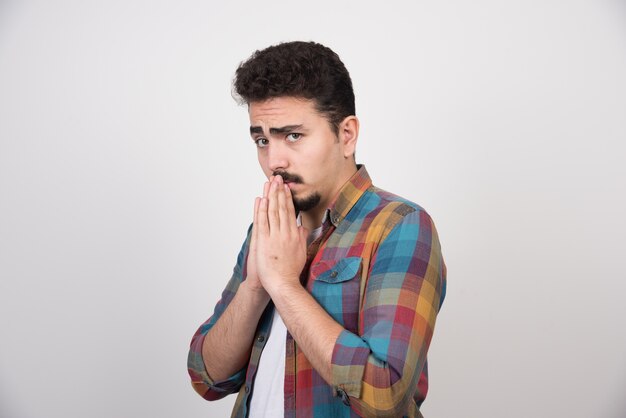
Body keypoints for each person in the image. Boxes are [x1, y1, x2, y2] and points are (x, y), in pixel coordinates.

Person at [187, 41, 447, 418]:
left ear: (346, 135)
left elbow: (384, 396)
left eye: (293, 136)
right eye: (262, 140)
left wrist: (285, 286)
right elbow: (206, 377)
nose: (274, 160)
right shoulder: (268, 231)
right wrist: (257, 285)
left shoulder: (399, 227)